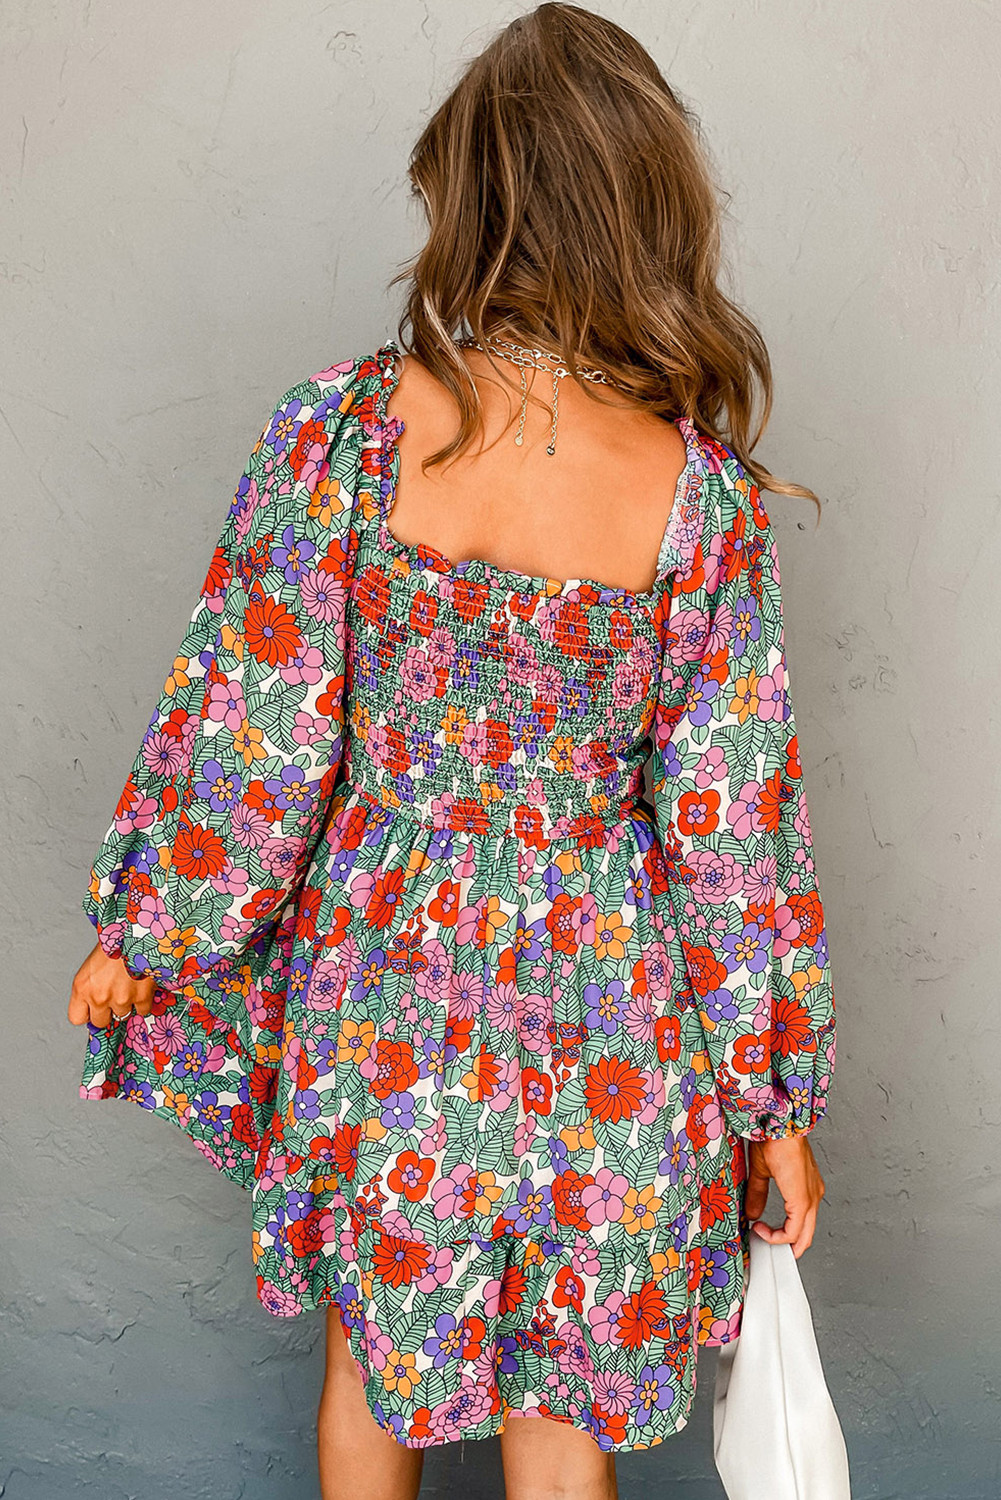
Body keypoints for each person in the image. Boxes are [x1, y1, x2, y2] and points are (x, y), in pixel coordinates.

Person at [68, 5, 835, 1496]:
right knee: (561, 1414)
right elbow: (731, 832)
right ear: (647, 206)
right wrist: (770, 1107)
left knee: (372, 1370)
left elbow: (261, 732)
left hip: (386, 991)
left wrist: (150, 931)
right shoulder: (698, 497)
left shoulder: (346, 435)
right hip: (607, 1014)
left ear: (468, 196)